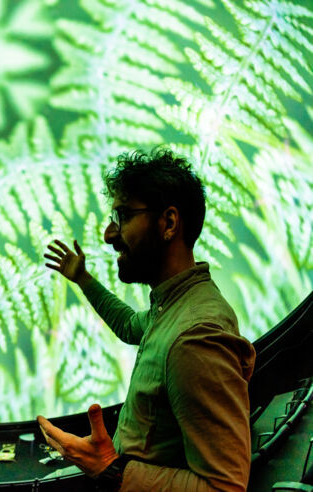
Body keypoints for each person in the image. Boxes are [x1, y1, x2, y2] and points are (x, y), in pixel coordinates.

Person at [39, 148, 255, 491]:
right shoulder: (174, 307)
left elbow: (225, 487)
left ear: (168, 223)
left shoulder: (193, 338)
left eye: (123, 216)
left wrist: (110, 469)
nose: (109, 234)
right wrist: (83, 279)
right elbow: (128, 325)